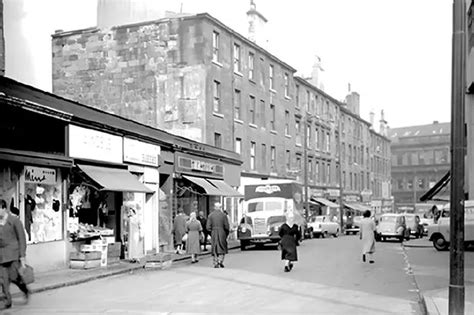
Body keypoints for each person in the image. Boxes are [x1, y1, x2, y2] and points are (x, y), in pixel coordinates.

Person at [0, 199, 29, 309]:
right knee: (3, 279)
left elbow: (22, 239)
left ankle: (24, 288)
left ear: (3, 209)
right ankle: (7, 301)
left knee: (14, 277)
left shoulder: (14, 221)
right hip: (2, 255)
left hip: (13, 254)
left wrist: (22, 256)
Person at [206, 202, 230, 268]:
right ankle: (220, 261)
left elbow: (207, 227)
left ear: (214, 207)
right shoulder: (223, 215)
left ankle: (215, 262)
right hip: (222, 232)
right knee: (222, 247)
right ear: (220, 208)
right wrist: (226, 234)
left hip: (214, 232)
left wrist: (211, 233)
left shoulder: (210, 215)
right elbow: (227, 226)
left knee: (215, 248)